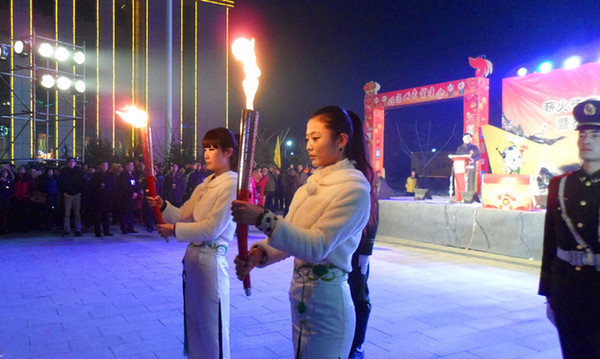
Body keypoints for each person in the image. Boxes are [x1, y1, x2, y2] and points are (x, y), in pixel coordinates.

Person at [231, 105, 375, 358]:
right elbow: (289, 238)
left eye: (316, 138)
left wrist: (262, 218)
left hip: (329, 305)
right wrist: (258, 254)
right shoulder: (309, 187)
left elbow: (316, 245)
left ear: (340, 140)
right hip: (300, 298)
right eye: (307, 138)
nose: (308, 145)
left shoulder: (354, 189)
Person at [147, 127, 238, 359]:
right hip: (193, 262)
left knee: (212, 329)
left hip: (211, 263)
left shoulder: (231, 185)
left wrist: (175, 230)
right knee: (195, 326)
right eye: (205, 148)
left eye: (212, 148)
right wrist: (163, 206)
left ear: (228, 152)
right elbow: (184, 215)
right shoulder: (206, 183)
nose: (206, 154)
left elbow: (212, 228)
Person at [539, 99, 600, 359]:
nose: (586, 140)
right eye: (582, 134)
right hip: (567, 290)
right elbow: (550, 242)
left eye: (595, 135)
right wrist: (548, 293)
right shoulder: (559, 185)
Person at [58, 158, 85, 236]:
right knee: (67, 213)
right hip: (67, 195)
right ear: (67, 163)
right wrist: (63, 192)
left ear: (75, 163)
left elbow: (82, 182)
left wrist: (80, 192)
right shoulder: (64, 172)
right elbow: (60, 183)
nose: (71, 163)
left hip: (77, 194)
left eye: (73, 162)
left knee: (77, 213)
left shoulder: (78, 171)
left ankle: (78, 229)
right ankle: (67, 229)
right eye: (70, 162)